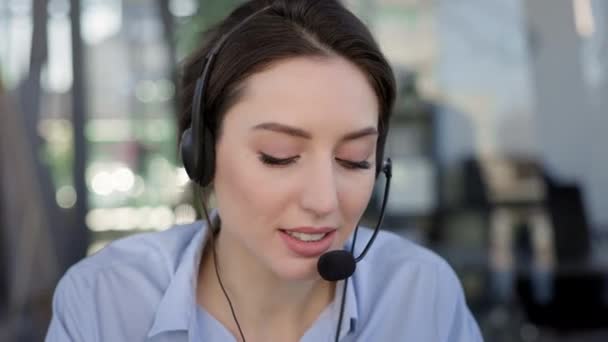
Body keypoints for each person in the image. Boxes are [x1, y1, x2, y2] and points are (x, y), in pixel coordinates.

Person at [46, 0, 483, 341]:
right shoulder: (105, 300)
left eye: (354, 160)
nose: (323, 201)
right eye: (278, 155)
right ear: (200, 154)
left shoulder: (421, 294)